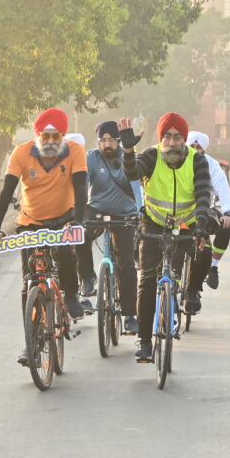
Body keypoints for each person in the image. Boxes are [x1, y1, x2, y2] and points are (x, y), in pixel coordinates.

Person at [0, 108, 88, 365]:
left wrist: (76, 223)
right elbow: (6, 190)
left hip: (63, 218)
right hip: (30, 222)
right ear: (38, 135)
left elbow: (80, 190)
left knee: (66, 253)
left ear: (63, 136)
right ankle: (30, 344)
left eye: (57, 137)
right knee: (29, 280)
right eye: (46, 136)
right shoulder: (21, 153)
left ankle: (71, 294)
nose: (52, 142)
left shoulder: (75, 152)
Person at [124, 112, 213, 363]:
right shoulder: (151, 155)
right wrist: (129, 151)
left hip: (187, 222)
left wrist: (201, 226)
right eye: (167, 136)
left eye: (177, 137)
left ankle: (192, 291)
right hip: (153, 223)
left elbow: (204, 194)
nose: (172, 143)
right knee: (148, 282)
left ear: (184, 140)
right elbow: (131, 173)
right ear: (160, 138)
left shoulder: (198, 160)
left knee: (204, 251)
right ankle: (143, 341)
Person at [74, 121, 143, 335]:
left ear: (119, 141)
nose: (107, 144)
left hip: (124, 213)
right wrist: (77, 213)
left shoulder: (127, 157)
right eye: (103, 140)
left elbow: (135, 185)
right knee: (79, 236)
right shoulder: (91, 158)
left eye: (112, 139)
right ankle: (87, 278)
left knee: (126, 264)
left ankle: (130, 315)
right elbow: (84, 186)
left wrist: (140, 213)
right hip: (95, 209)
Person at [186, 131, 230, 293]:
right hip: (179, 211)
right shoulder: (176, 161)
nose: (195, 149)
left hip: (206, 210)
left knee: (225, 228)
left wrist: (227, 212)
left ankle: (212, 266)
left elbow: (222, 186)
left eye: (198, 147)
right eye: (191, 146)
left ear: (204, 149)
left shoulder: (211, 164)